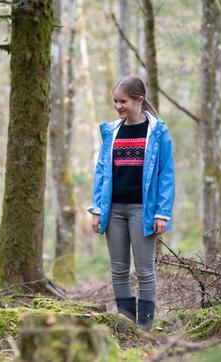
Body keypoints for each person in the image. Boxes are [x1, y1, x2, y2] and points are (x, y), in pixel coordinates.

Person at [88, 75, 175, 330]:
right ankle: (127, 325)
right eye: (115, 101)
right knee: (118, 270)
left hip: (143, 211)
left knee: (145, 271)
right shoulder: (112, 131)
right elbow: (103, 171)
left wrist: (162, 212)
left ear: (139, 100)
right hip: (113, 210)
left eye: (122, 101)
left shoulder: (158, 132)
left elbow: (166, 174)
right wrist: (97, 208)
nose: (118, 106)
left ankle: (144, 328)